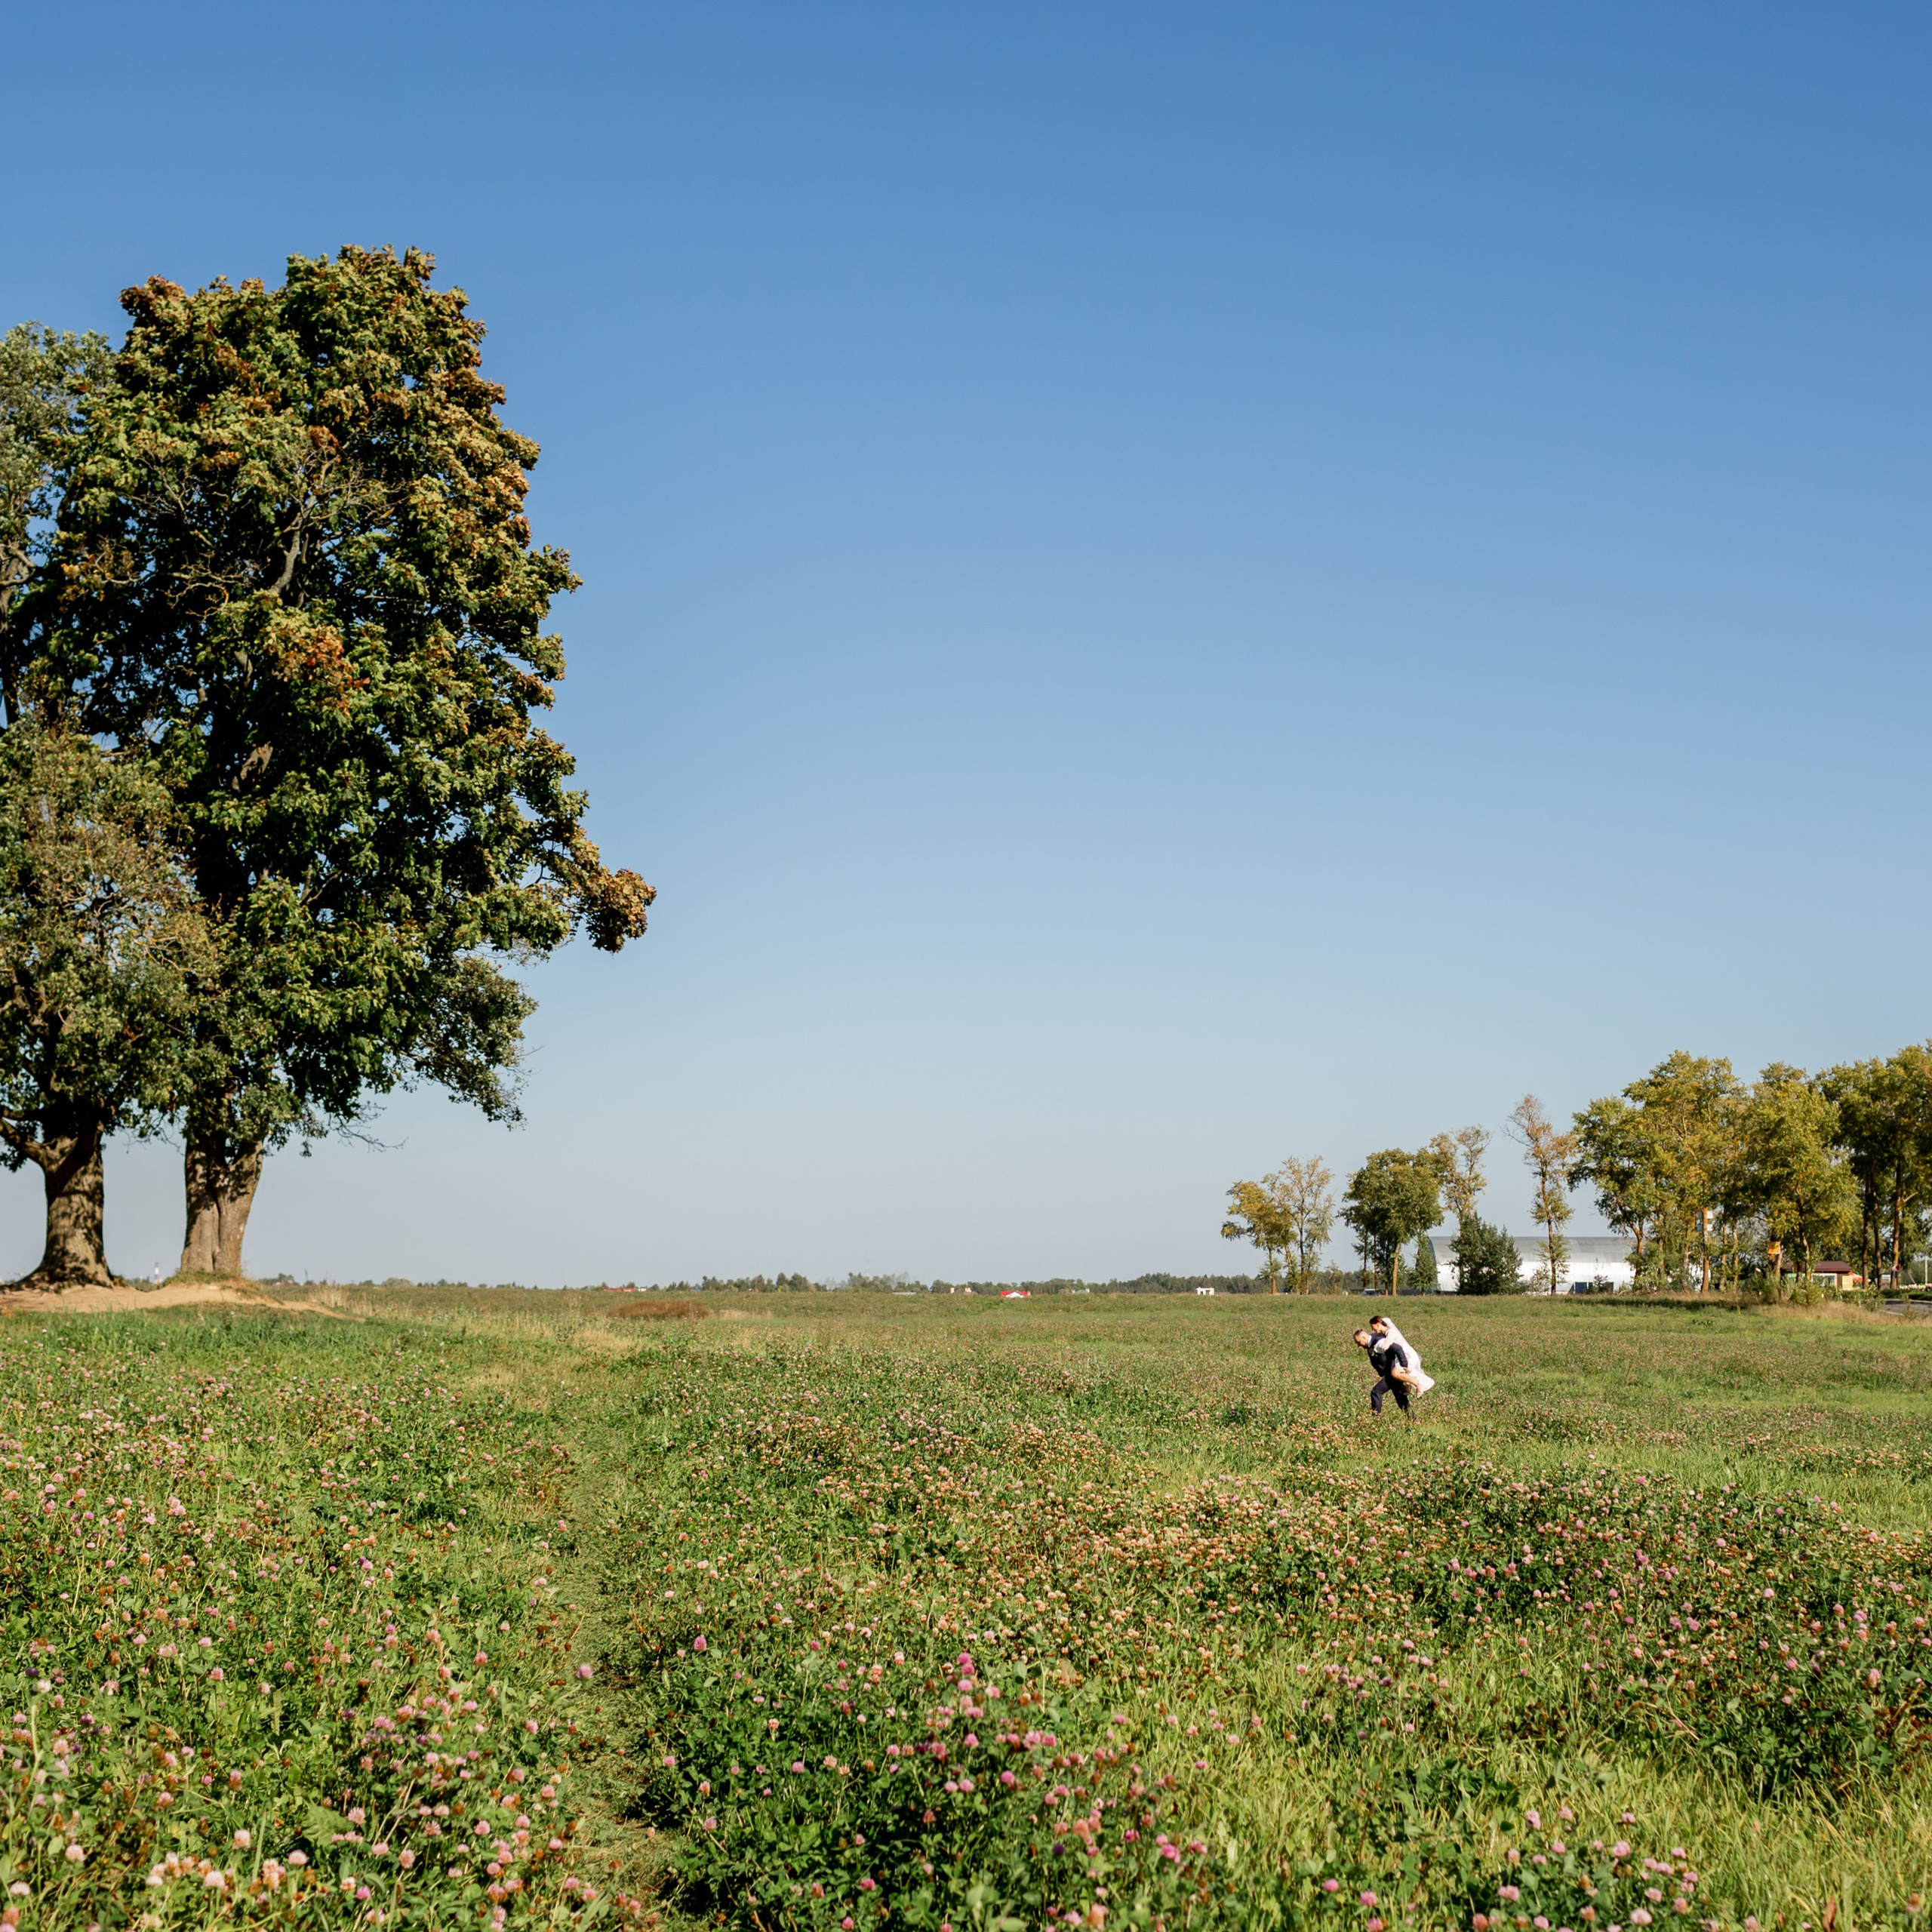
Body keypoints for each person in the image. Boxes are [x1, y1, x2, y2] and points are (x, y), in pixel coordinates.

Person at [1353, 1315, 1431, 1417]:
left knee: (1376, 1392)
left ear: (1364, 1337)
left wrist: (1403, 1365)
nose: (1359, 1345)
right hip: (1389, 1374)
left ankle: (1376, 1418)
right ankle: (1413, 1420)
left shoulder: (1379, 1342)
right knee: (1401, 1400)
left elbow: (1398, 1349)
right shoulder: (1371, 1345)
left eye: (1359, 1342)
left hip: (1392, 1373)